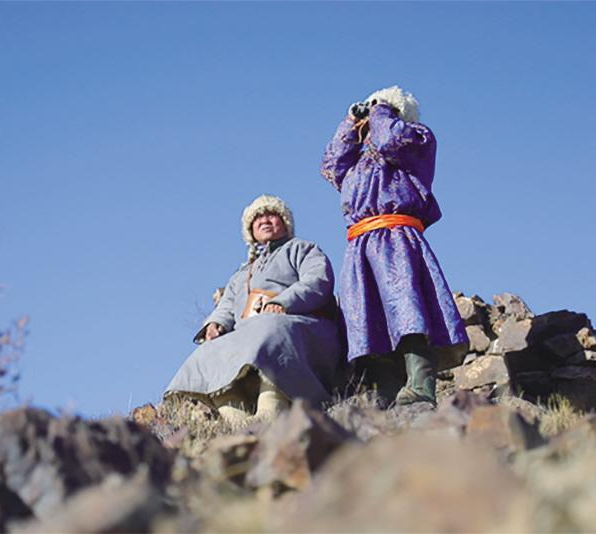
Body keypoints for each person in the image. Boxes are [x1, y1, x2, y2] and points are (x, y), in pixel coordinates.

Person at [320, 86, 468, 406]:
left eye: (380, 110)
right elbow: (331, 166)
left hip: (396, 237)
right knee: (366, 317)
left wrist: (382, 109)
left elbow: (390, 139)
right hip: (360, 243)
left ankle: (420, 383)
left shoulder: (416, 138)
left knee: (407, 307)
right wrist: (350, 123)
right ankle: (386, 393)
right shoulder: (358, 164)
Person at [164, 195, 344, 424]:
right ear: (250, 230)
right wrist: (214, 324)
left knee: (270, 327)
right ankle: (237, 420)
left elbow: (317, 281)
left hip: (298, 326)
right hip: (249, 332)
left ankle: (271, 409)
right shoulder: (241, 274)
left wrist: (283, 302)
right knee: (207, 352)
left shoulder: (302, 249)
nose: (264, 220)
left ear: (285, 222)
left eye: (272, 215)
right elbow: (227, 305)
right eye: (257, 218)